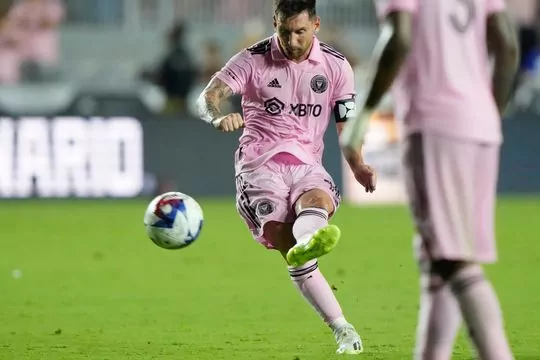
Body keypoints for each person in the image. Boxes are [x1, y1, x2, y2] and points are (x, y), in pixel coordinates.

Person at [340, 0, 519, 359]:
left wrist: (364, 116)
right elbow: (508, 45)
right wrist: (489, 114)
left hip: (434, 123)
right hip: (481, 126)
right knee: (440, 258)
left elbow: (399, 38)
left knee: (454, 261)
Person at [196, 0, 376, 355]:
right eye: (284, 32)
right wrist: (217, 117)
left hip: (307, 162)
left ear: (316, 25)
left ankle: (309, 240)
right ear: (274, 23)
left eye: (300, 32)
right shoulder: (251, 59)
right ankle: (341, 326)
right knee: (285, 241)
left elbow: (345, 123)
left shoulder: (337, 66)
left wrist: (357, 164)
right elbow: (208, 97)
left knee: (317, 203)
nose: (292, 41)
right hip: (259, 166)